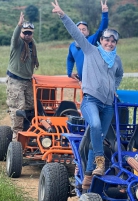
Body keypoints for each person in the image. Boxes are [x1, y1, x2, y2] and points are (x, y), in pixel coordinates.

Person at [51, 0, 124, 191]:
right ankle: (100, 163)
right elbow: (76, 33)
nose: (109, 43)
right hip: (90, 100)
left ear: (116, 44)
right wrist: (62, 14)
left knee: (96, 136)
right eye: (106, 39)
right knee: (96, 126)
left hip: (108, 104)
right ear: (100, 40)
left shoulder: (116, 60)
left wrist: (114, 87)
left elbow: (119, 74)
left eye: (113, 41)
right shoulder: (90, 51)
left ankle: (88, 177)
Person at [6, 12, 39, 140]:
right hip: (15, 79)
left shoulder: (32, 44)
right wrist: (19, 25)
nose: (27, 35)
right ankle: (17, 135)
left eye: (29, 33)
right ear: (21, 32)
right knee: (18, 108)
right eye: (24, 32)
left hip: (27, 80)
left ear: (32, 34)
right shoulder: (18, 43)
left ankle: (29, 129)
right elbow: (14, 38)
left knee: (31, 106)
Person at [67, 0, 109, 83]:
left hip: (95, 80)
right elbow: (70, 59)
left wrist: (105, 13)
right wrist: (69, 72)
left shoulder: (91, 41)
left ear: (88, 32)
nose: (81, 31)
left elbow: (102, 29)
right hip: (82, 81)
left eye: (84, 29)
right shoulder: (72, 46)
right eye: (78, 30)